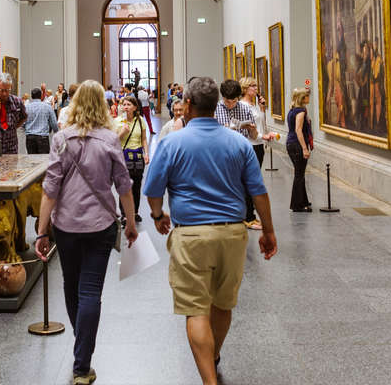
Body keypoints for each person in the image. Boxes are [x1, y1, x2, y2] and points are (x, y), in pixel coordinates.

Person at [144, 77, 277, 385]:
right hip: (232, 235)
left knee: (195, 310)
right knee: (222, 303)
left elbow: (153, 189)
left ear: (187, 104)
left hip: (191, 236)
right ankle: (214, 356)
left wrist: (156, 214)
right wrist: (268, 231)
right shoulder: (239, 143)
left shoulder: (172, 142)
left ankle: (209, 380)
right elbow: (258, 193)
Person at [35, 80, 138, 385]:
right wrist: (130, 223)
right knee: (91, 291)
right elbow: (124, 187)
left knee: (71, 284)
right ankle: (82, 363)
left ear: (76, 103)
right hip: (101, 224)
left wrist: (42, 231)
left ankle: (82, 346)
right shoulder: (109, 140)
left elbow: (50, 189)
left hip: (66, 225)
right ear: (104, 106)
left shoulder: (61, 139)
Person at [240, 77, 272, 231]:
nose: (256, 89)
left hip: (259, 144)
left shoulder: (255, 105)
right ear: (245, 88)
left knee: (253, 179)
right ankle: (248, 217)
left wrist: (262, 108)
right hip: (250, 145)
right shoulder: (242, 106)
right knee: (250, 181)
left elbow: (261, 124)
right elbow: (249, 129)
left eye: (256, 86)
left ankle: (248, 214)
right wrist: (262, 136)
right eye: (252, 86)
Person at [115, 95, 150, 223]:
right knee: (124, 186)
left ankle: (135, 212)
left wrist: (146, 153)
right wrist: (122, 133)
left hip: (137, 157)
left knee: (136, 186)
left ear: (135, 107)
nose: (126, 107)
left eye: (129, 105)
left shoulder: (140, 120)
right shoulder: (117, 121)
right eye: (124, 104)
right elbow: (112, 141)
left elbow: (144, 139)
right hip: (123, 157)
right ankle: (124, 214)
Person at [286, 87, 313, 212]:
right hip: (297, 145)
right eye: (307, 96)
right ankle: (297, 204)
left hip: (290, 143)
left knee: (300, 173)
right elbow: (298, 130)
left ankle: (303, 201)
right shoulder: (301, 111)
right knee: (299, 174)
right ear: (303, 98)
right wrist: (304, 148)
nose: (309, 98)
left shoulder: (292, 110)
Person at [24, 87, 59, 154]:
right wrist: (57, 133)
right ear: (41, 96)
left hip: (30, 137)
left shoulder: (26, 107)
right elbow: (54, 123)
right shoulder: (47, 107)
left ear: (31, 96)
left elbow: (23, 123)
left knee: (31, 161)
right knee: (43, 161)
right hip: (43, 138)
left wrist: (27, 128)